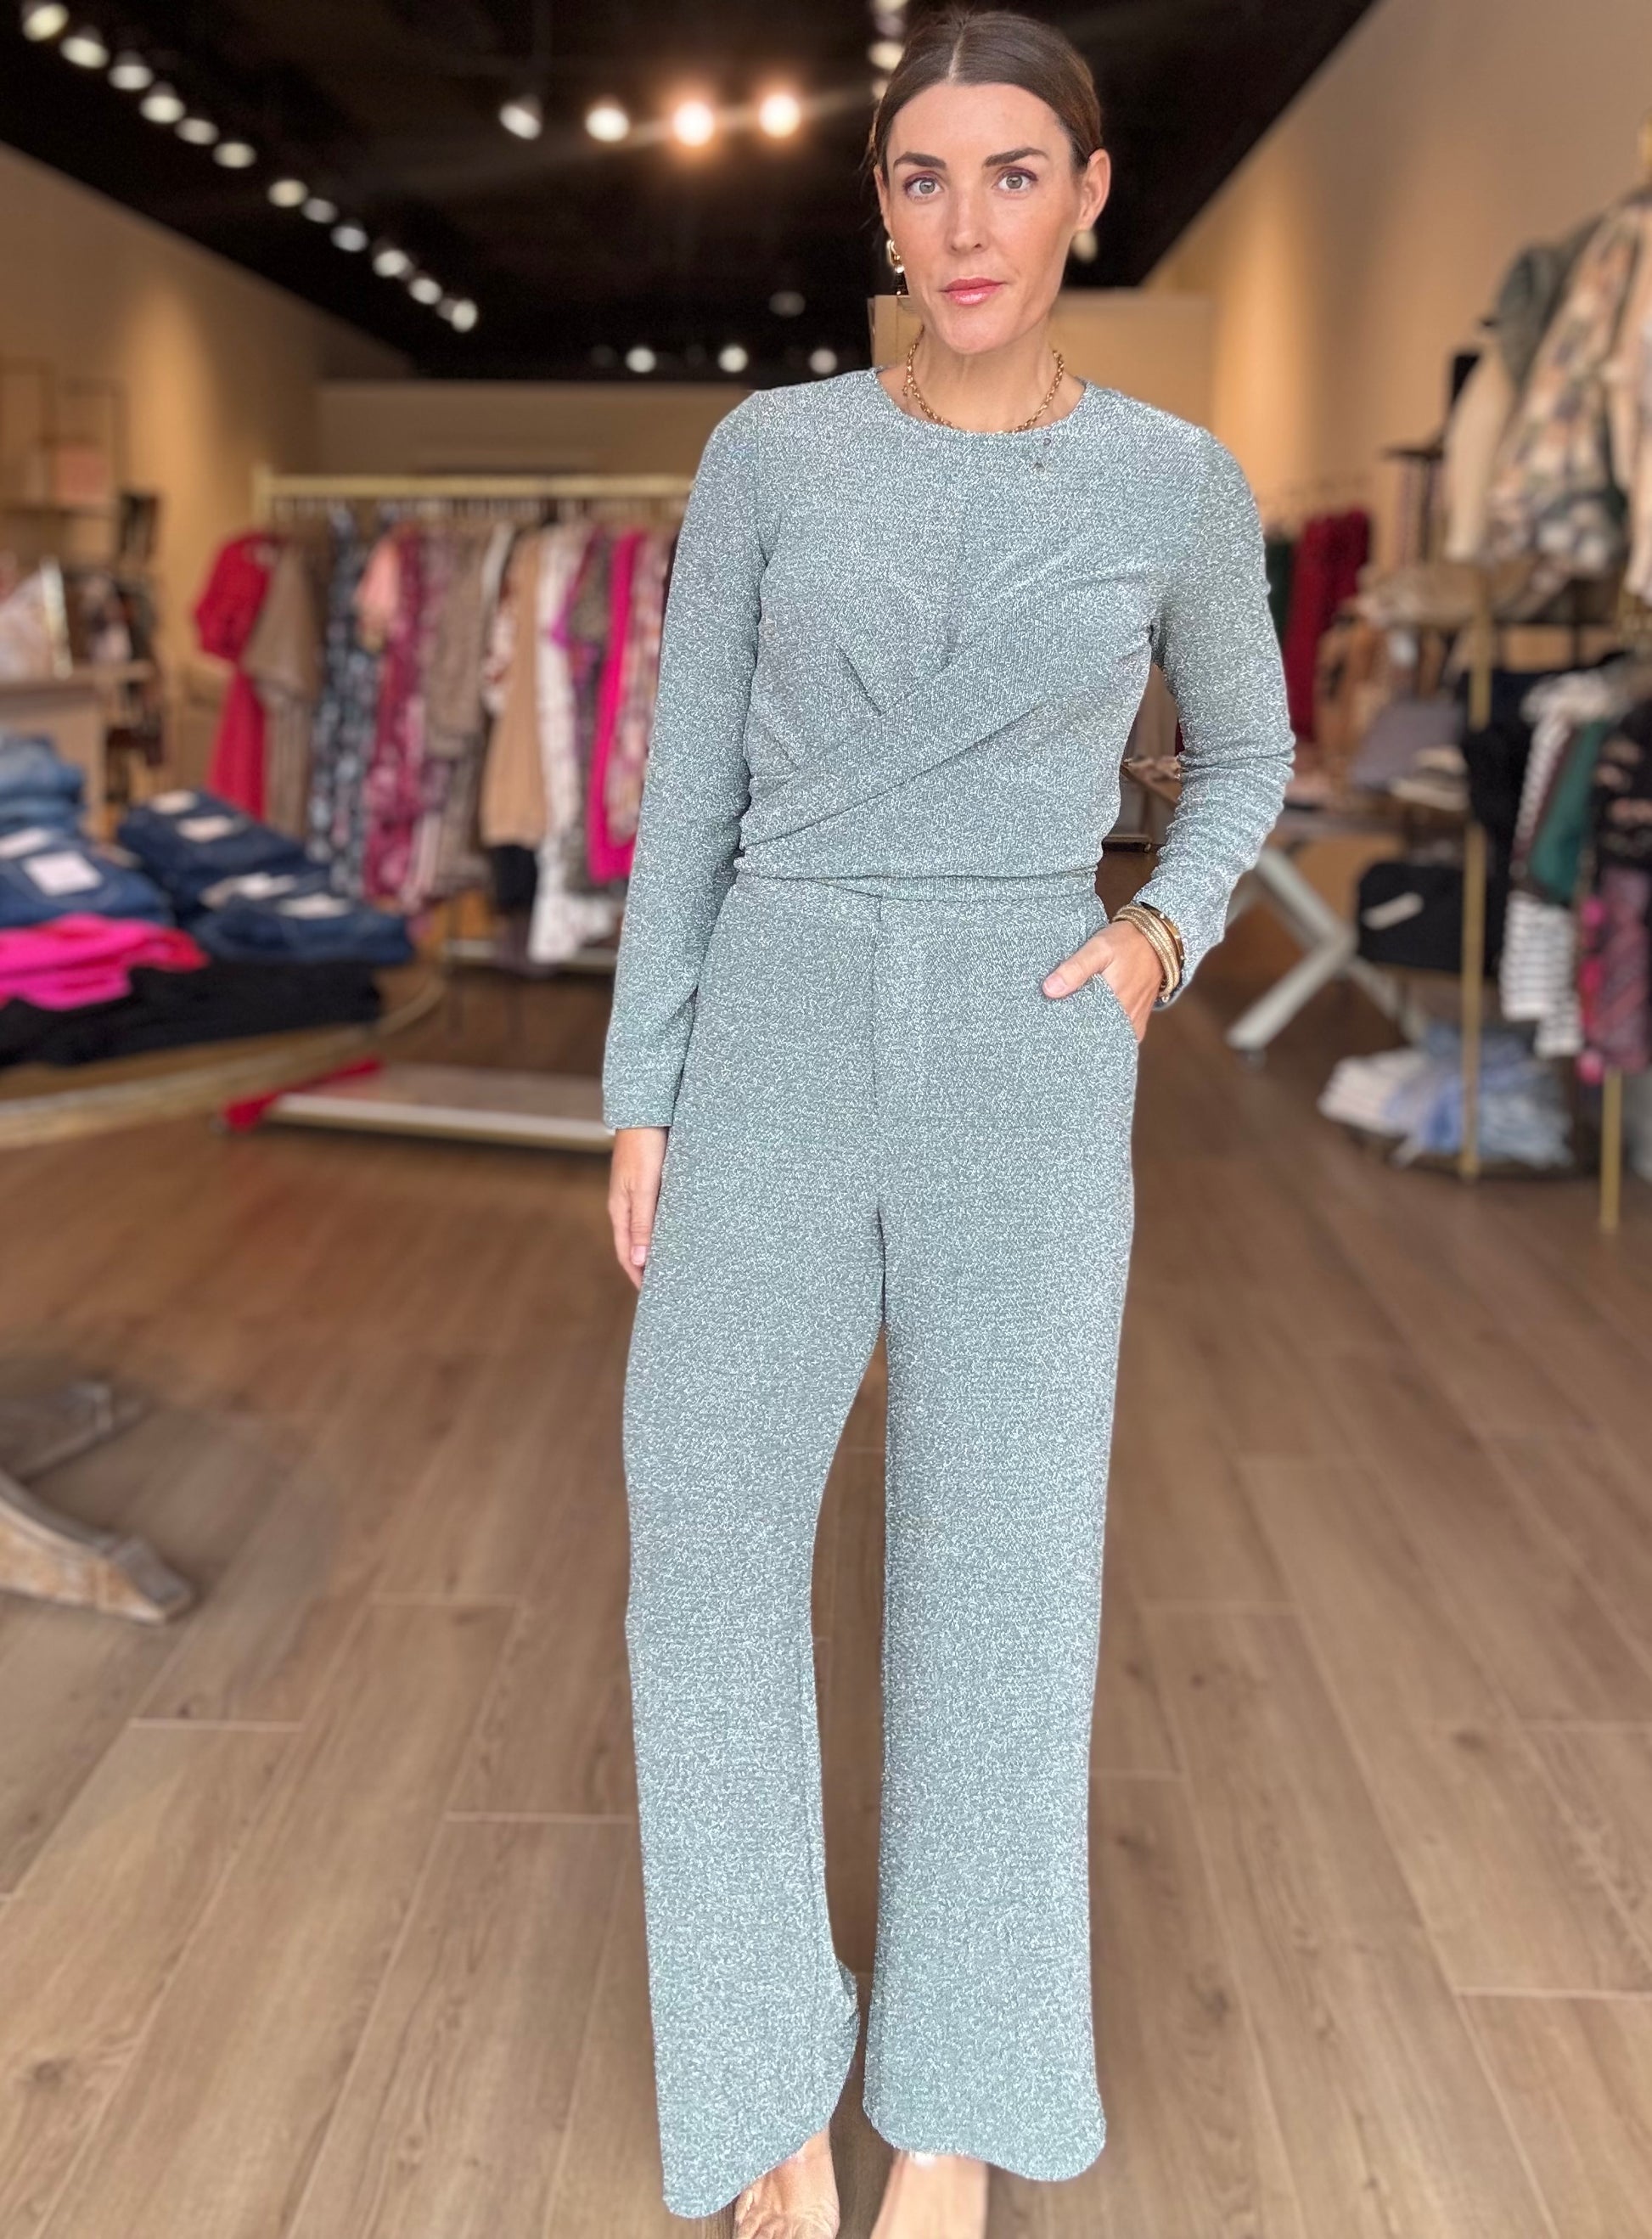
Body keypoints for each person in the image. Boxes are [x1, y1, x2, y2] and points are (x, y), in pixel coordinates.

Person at [603, 8, 1295, 2233]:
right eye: (923, 177)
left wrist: (1159, 937)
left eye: (1014, 173)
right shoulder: (771, 457)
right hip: (778, 1022)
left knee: (999, 1579)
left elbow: (1251, 755)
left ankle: (960, 2113)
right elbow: (682, 790)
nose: (967, 222)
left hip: (1025, 1042)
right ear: (880, 211)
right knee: (705, 1545)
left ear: (1089, 195)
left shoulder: (1174, 482)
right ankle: (761, 2088)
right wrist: (643, 1086)